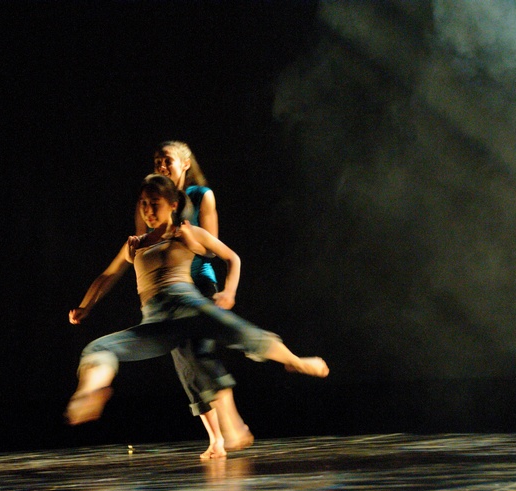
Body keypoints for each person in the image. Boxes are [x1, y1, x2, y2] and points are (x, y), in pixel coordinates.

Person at [64, 174, 329, 457]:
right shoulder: (135, 244)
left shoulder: (187, 232)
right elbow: (108, 276)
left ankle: (294, 361)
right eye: (143, 204)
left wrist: (229, 291)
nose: (148, 211)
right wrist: (86, 306)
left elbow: (232, 258)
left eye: (154, 203)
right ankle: (89, 393)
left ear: (173, 204)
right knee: (98, 348)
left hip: (188, 305)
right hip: (156, 321)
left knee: (237, 333)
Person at [145, 141, 252, 455]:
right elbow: (148, 246)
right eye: (157, 161)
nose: (161, 166)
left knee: (199, 352)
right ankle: (216, 439)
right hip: (168, 288)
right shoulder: (153, 200)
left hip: (198, 283)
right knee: (185, 365)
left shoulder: (201, 196)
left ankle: (234, 425)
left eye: (167, 160)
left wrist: (187, 236)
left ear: (185, 164)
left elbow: (210, 249)